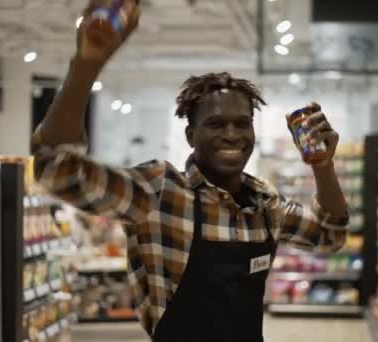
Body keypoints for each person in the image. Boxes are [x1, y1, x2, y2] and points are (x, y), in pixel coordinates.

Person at [32, 1, 349, 341]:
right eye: (215, 124)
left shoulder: (265, 205)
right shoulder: (159, 193)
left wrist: (323, 166)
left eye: (242, 124)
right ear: (190, 136)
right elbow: (57, 171)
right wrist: (87, 65)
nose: (231, 134)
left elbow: (330, 235)